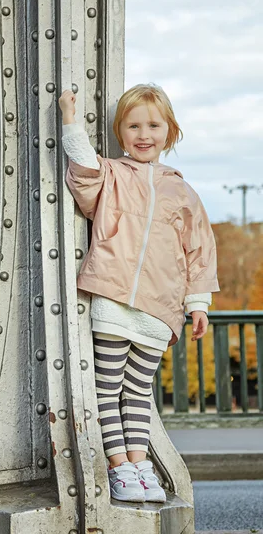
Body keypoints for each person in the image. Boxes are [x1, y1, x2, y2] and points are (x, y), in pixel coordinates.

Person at [58, 83, 220, 503]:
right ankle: (119, 467)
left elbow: (199, 250)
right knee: (108, 388)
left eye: (153, 124)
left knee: (139, 391)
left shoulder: (182, 191)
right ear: (120, 132)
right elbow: (83, 174)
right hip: (112, 298)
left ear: (170, 131)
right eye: (133, 125)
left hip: (159, 308)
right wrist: (70, 121)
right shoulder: (111, 174)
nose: (143, 133)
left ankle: (140, 461)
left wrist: (197, 303)